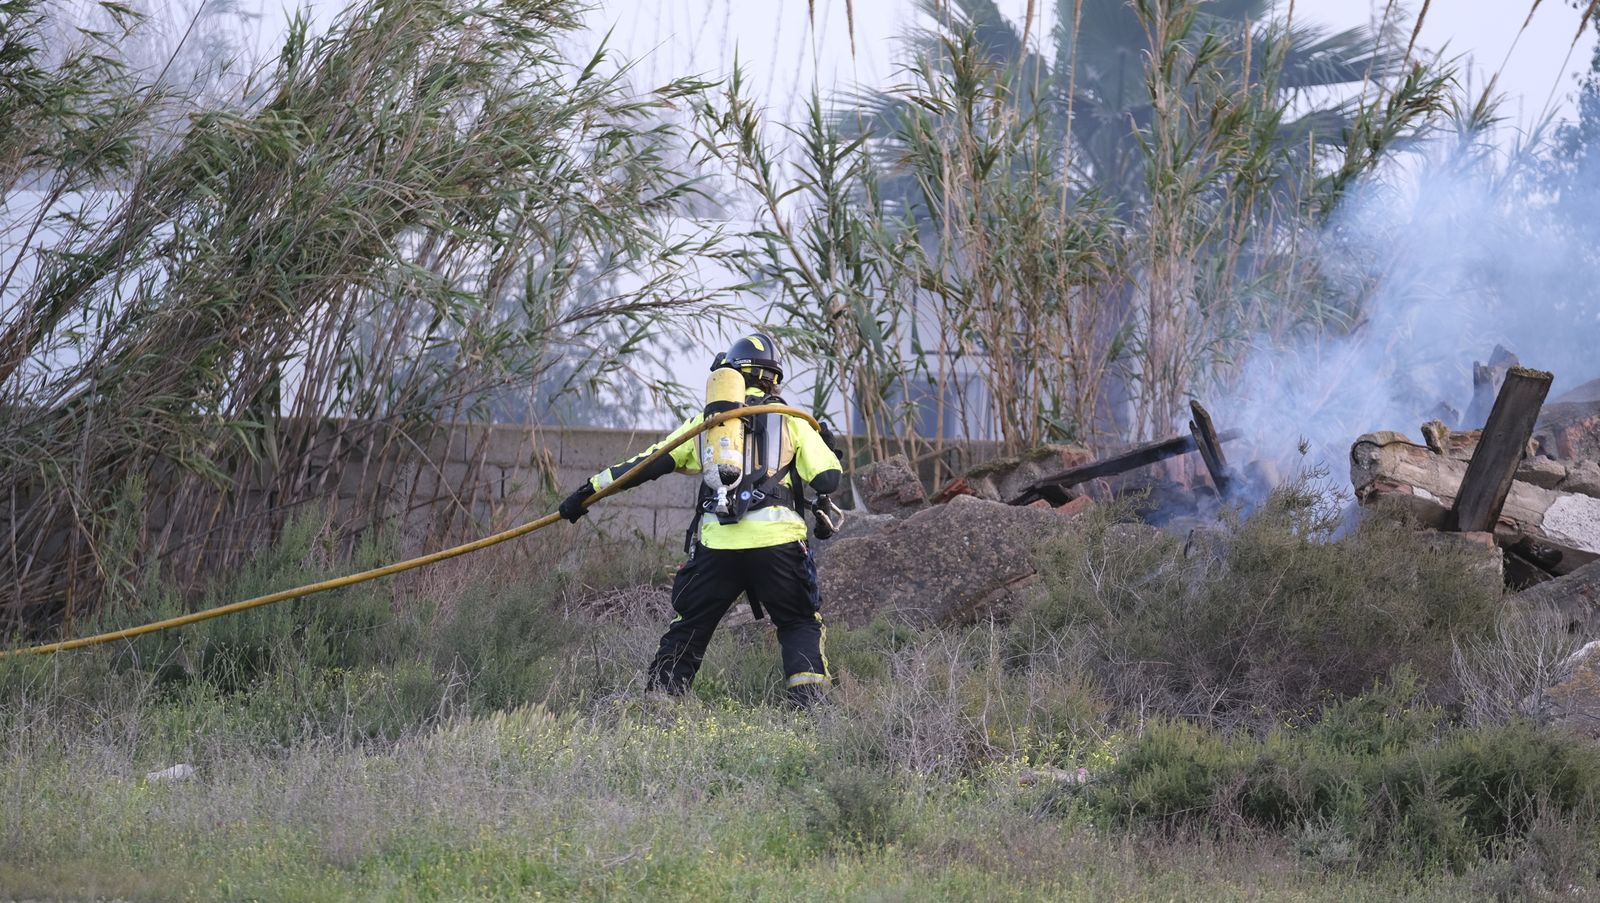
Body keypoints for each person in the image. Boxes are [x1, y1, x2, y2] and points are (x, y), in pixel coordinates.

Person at [557, 333, 844, 705]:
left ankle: (659, 704)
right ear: (773, 379)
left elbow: (645, 464)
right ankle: (810, 709)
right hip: (779, 544)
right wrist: (826, 446)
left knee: (690, 627)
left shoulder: (709, 424)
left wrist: (585, 493)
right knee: (798, 622)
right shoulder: (793, 421)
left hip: (718, 546)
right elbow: (827, 480)